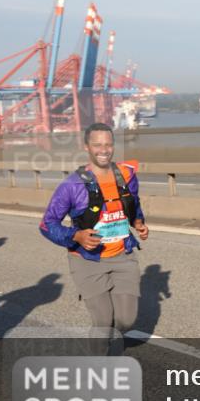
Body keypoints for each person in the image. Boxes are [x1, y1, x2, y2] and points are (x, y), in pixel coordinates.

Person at [39, 122, 149, 353]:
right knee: (102, 322)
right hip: (87, 260)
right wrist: (75, 235)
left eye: (108, 144)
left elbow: (133, 203)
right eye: (97, 144)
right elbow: (47, 224)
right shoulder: (72, 185)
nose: (104, 150)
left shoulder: (127, 175)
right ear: (86, 147)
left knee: (126, 321)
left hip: (122, 255)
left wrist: (138, 222)